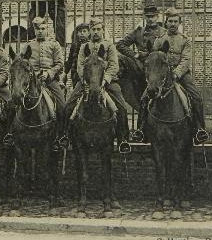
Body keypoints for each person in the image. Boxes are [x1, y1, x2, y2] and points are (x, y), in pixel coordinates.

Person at [135, 8, 208, 145]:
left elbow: (186, 60)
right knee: (144, 98)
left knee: (196, 96)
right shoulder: (159, 40)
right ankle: (141, 130)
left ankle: (199, 129)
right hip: (162, 76)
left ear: (179, 23)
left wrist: (176, 73)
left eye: (175, 21)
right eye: (170, 21)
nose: (173, 24)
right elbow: (154, 58)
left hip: (181, 75)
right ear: (166, 23)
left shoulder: (185, 40)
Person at [64, 19, 132, 153]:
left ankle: (122, 139)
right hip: (87, 82)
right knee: (68, 105)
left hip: (107, 82)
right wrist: (85, 81)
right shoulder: (84, 47)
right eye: (93, 30)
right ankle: (65, 135)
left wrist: (105, 80)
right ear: (90, 31)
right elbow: (80, 66)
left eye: (98, 29)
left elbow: (114, 66)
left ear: (102, 30)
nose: (96, 32)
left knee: (122, 107)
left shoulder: (109, 46)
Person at [10, 18, 66, 150]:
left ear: (47, 30)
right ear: (34, 30)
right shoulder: (28, 46)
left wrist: (48, 73)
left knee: (63, 106)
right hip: (32, 81)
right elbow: (22, 63)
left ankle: (60, 136)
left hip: (50, 81)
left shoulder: (54, 45)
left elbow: (60, 64)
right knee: (12, 103)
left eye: (42, 29)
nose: (40, 31)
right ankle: (11, 133)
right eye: (37, 29)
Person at [116, 5, 165, 73]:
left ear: (157, 17)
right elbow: (120, 44)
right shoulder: (139, 32)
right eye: (148, 17)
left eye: (152, 16)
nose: (150, 19)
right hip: (140, 66)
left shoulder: (164, 32)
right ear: (144, 17)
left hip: (157, 67)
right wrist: (134, 54)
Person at [64, 22, 90, 87]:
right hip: (75, 75)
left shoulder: (90, 45)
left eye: (84, 31)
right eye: (80, 31)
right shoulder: (74, 45)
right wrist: (65, 72)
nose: (82, 33)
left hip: (88, 74)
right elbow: (70, 60)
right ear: (77, 33)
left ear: (88, 33)